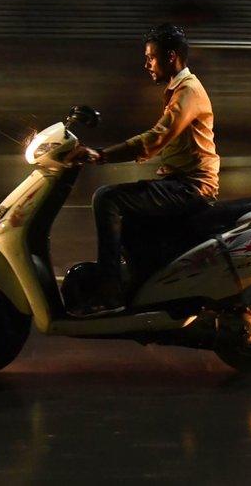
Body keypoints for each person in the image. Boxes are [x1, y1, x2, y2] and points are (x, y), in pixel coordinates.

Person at [66, 23, 220, 316]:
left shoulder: (187, 92)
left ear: (171, 57)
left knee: (107, 199)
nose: (146, 64)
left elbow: (156, 137)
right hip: (180, 181)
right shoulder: (179, 90)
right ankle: (142, 284)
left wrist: (101, 156)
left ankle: (110, 293)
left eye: (152, 57)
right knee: (130, 217)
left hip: (192, 187)